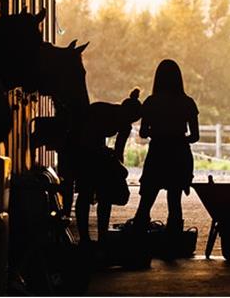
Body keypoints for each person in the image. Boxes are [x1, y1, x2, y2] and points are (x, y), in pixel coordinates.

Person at [132, 59, 199, 235]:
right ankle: (174, 241)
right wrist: (177, 137)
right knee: (175, 201)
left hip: (158, 153)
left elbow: (143, 133)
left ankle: (138, 239)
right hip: (179, 154)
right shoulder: (187, 103)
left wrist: (159, 134)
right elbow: (195, 136)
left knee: (146, 200)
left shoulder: (151, 102)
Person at [73, 88, 141, 245]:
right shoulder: (101, 111)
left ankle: (102, 236)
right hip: (83, 148)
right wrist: (105, 155)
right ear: (123, 110)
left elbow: (119, 151)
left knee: (105, 194)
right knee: (85, 193)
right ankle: (85, 238)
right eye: (129, 118)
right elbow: (86, 138)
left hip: (97, 152)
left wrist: (117, 171)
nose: (128, 122)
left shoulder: (125, 124)